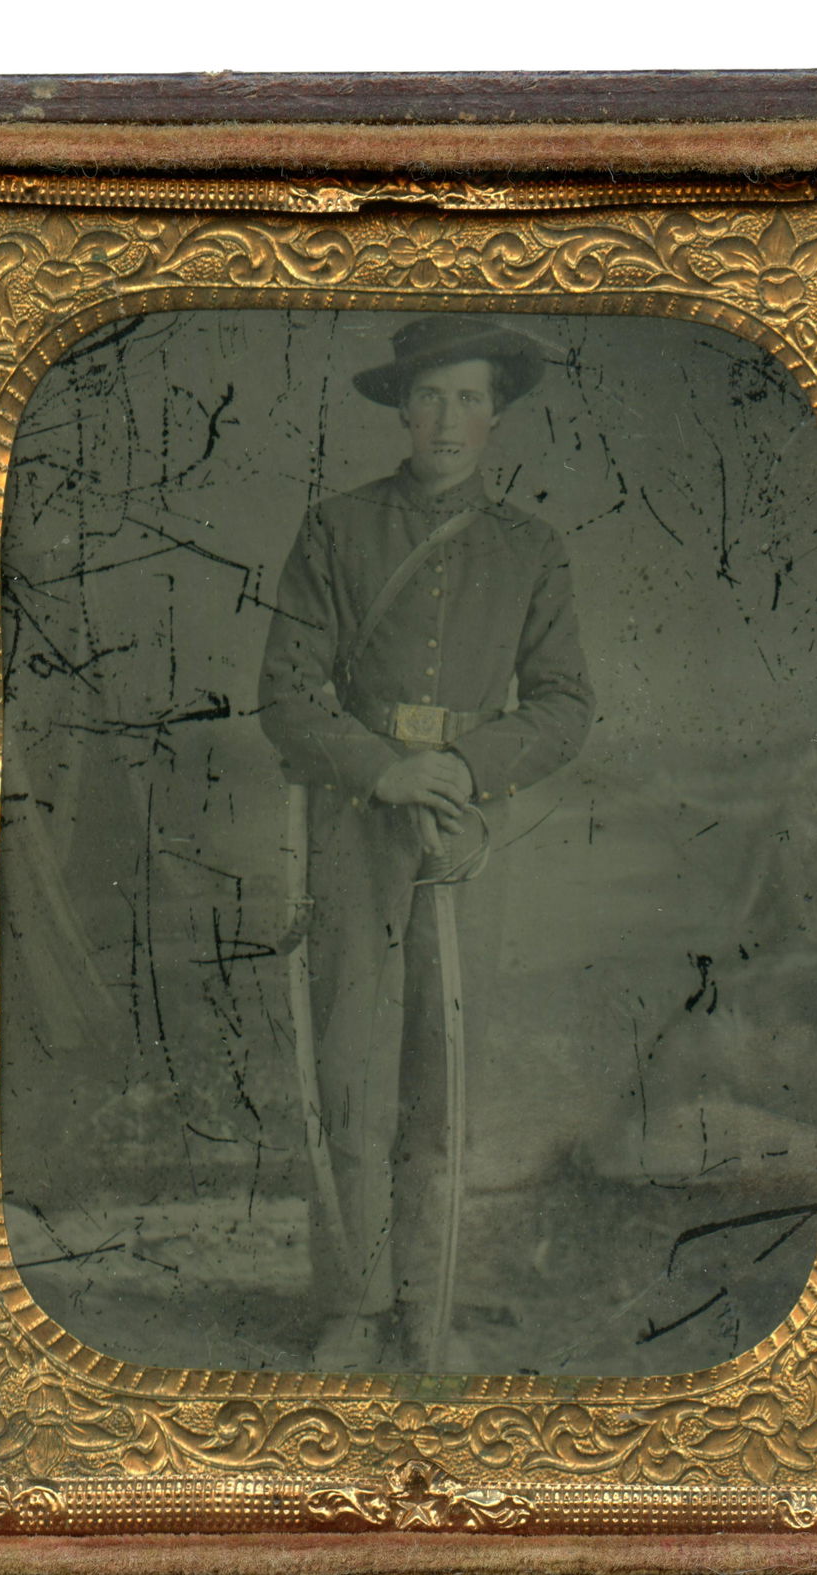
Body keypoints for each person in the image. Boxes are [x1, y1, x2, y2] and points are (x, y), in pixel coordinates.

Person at [258, 314, 595, 1370]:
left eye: (469, 399)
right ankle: (352, 1307)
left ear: (495, 415)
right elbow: (284, 691)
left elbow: (563, 703)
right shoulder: (335, 531)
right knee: (353, 1060)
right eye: (431, 398)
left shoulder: (530, 551)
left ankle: (427, 1302)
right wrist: (378, 767)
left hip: (461, 824)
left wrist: (468, 767)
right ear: (401, 409)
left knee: (441, 1069)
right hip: (355, 822)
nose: (448, 420)